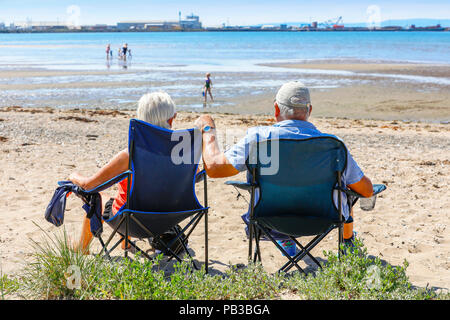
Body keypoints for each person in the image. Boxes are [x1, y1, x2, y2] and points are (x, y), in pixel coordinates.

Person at [194, 81, 373, 245]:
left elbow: (214, 168)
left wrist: (207, 130)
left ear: (276, 109)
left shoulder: (259, 139)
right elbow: (366, 191)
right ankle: (347, 241)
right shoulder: (333, 145)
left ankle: (286, 241)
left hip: (268, 221)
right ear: (309, 110)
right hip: (324, 221)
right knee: (348, 190)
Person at [69, 92, 177, 253]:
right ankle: (125, 243)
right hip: (170, 219)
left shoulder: (130, 155)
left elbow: (89, 184)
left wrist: (73, 176)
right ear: (172, 119)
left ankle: (81, 248)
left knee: (97, 197)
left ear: (140, 120)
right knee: (125, 198)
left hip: (132, 222)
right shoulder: (184, 154)